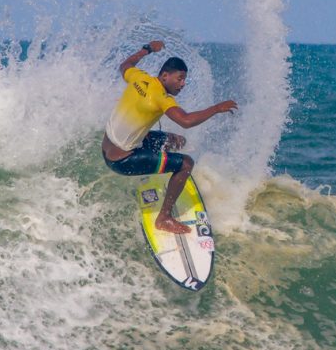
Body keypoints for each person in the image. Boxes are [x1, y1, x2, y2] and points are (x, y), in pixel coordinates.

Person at [102, 40, 237, 234]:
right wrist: (216, 108)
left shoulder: (139, 77)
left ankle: (160, 168)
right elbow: (186, 121)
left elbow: (125, 65)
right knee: (186, 164)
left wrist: (146, 49)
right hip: (122, 161)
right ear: (164, 76)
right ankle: (164, 218)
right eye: (179, 79)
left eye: (184, 80)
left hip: (107, 146)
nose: (182, 84)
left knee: (176, 141)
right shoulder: (161, 97)